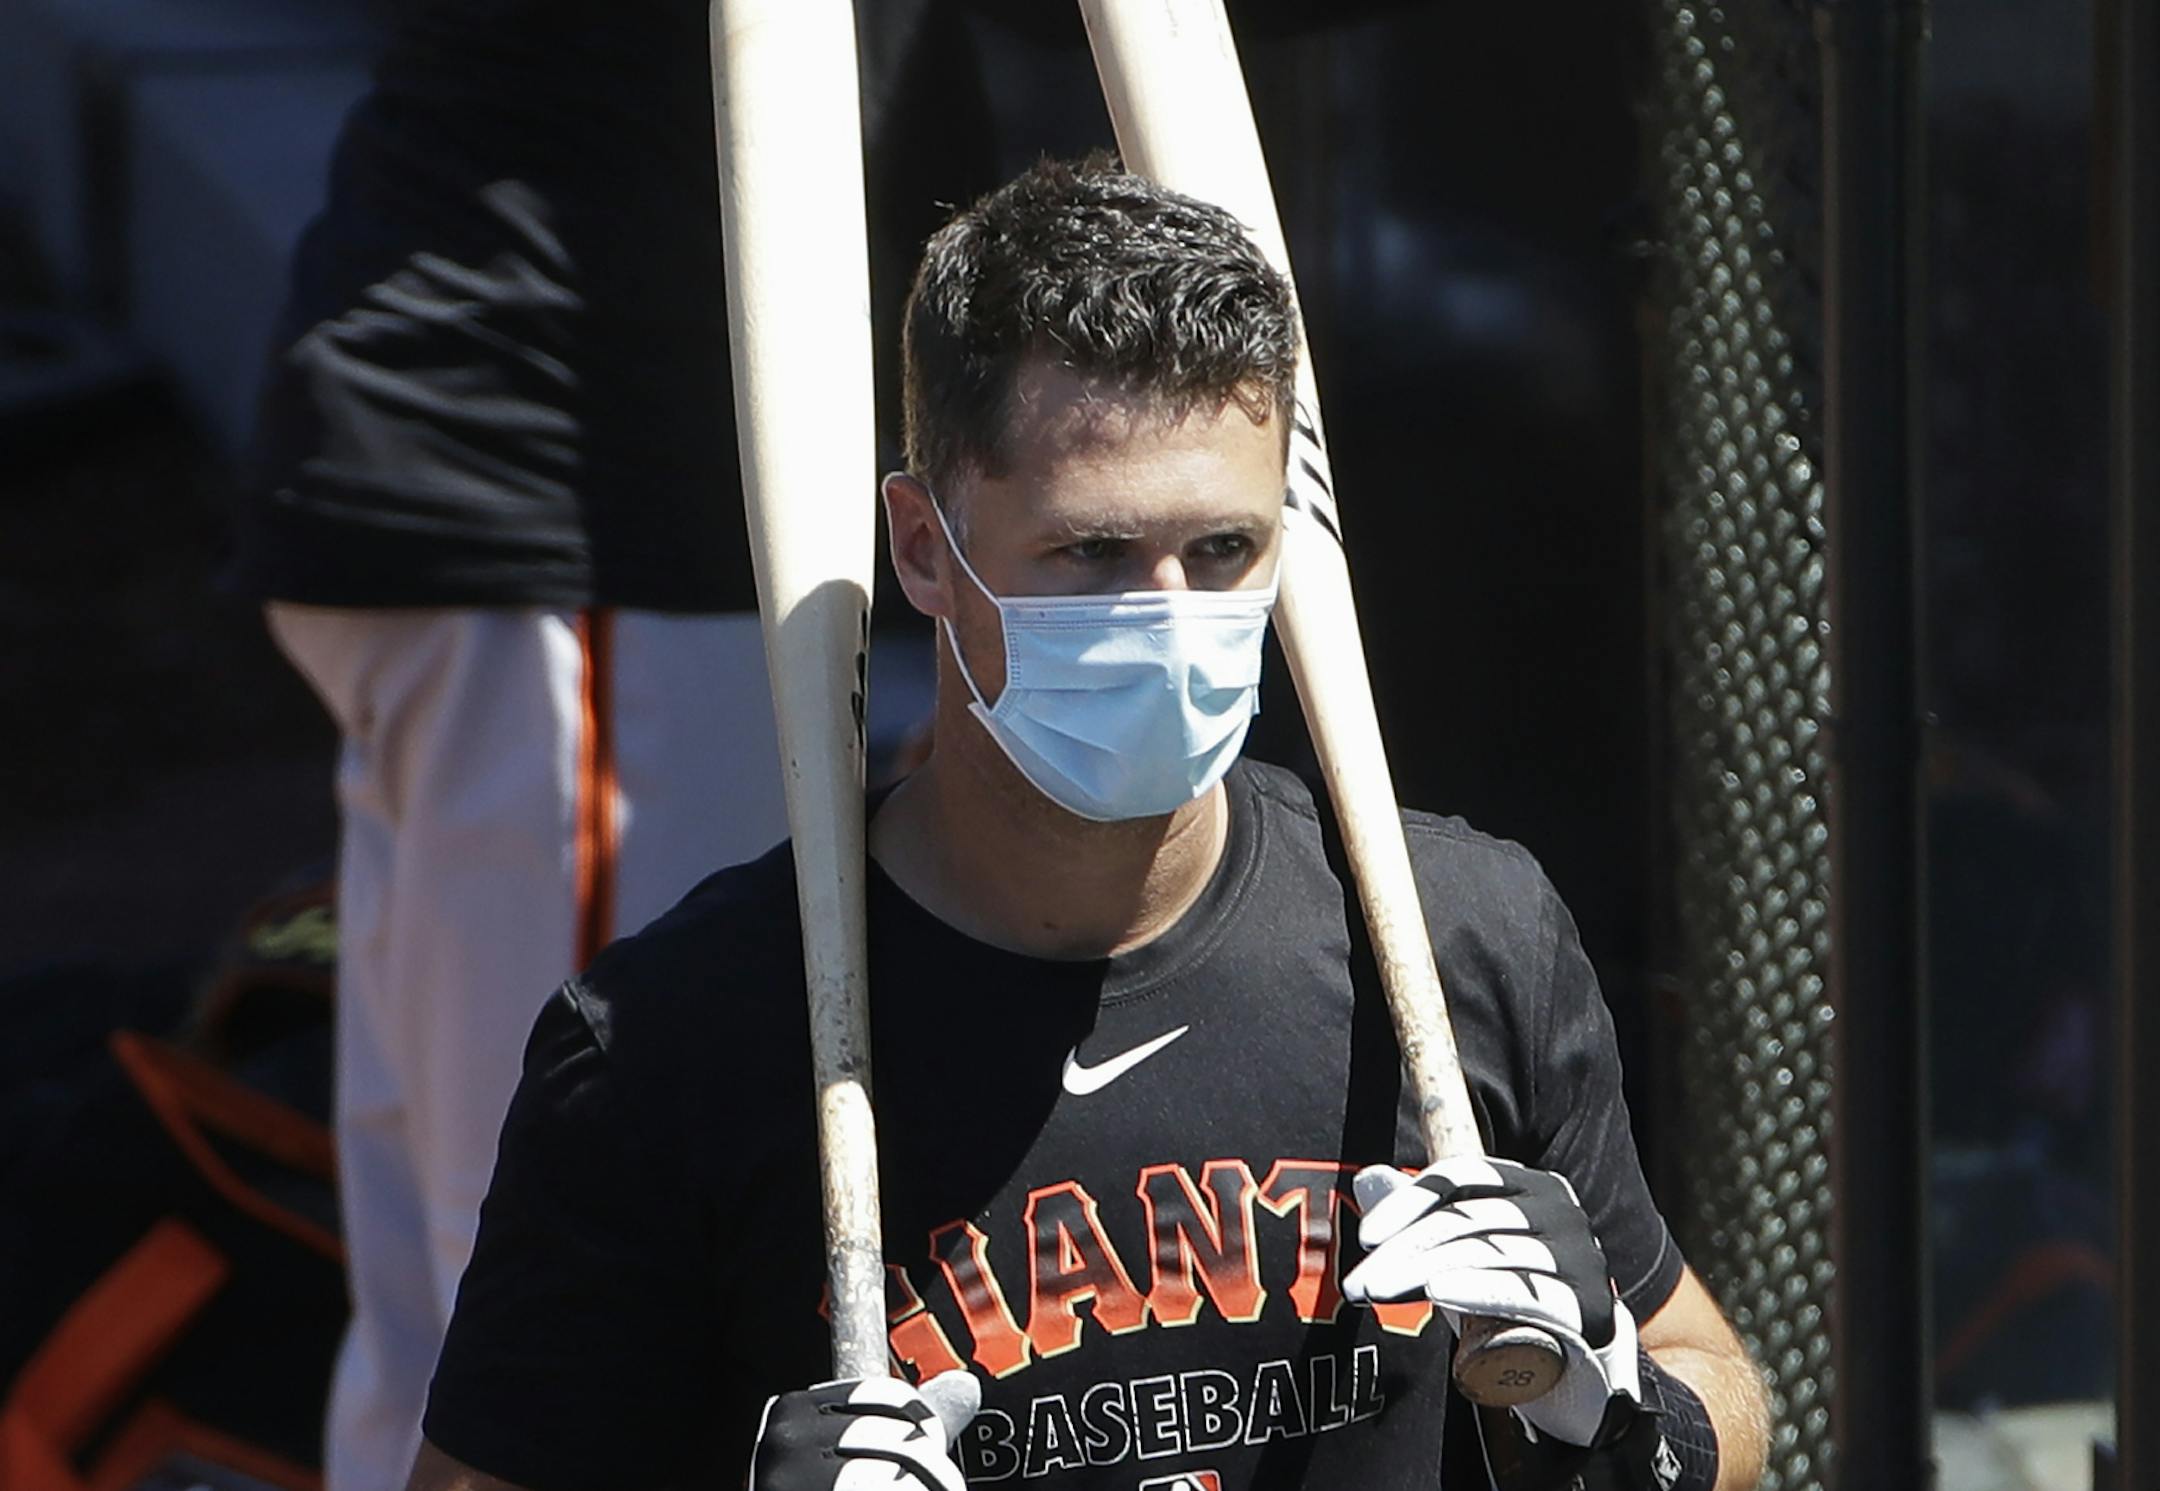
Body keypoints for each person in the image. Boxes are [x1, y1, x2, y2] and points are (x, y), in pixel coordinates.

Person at [404, 157, 1771, 1491]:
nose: (1168, 614)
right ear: (927, 548)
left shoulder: (1455, 928)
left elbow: (1709, 1371)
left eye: (1222, 551)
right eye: (1092, 554)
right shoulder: (676, 1048)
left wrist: (1626, 1403)